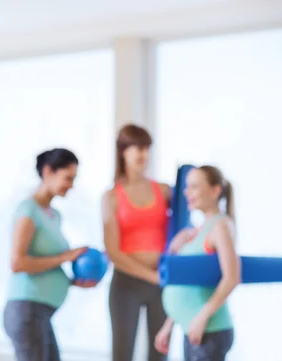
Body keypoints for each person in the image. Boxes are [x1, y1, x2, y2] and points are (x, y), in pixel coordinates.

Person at [3, 148, 97, 361]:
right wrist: (65, 257)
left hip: (40, 314)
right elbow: (18, 263)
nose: (71, 185)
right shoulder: (28, 209)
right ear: (48, 172)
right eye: (68, 178)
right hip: (26, 310)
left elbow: (47, 265)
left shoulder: (54, 215)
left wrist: (72, 282)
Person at [101, 124, 172, 361]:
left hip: (161, 283)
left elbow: (184, 227)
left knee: (159, 354)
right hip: (126, 285)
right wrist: (151, 276)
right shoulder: (111, 196)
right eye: (136, 147)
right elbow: (113, 251)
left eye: (146, 148)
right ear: (123, 151)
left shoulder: (163, 191)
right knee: (122, 355)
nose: (143, 154)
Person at [155, 165, 239, 361]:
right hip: (192, 328)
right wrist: (168, 326)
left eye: (194, 186)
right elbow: (187, 289)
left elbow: (232, 278)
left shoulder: (221, 226)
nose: (186, 192)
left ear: (215, 190)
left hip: (210, 329)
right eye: (186, 186)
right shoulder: (196, 232)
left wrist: (202, 318)